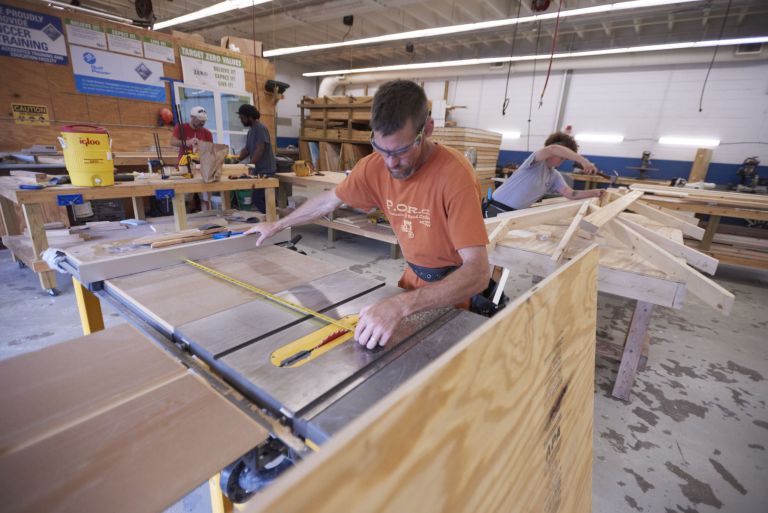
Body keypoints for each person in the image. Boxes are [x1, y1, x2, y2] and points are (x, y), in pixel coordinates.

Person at [244, 80, 490, 349]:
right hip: (412, 280)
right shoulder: (374, 167)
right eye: (381, 149)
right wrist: (277, 225)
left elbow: (477, 272)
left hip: (453, 291)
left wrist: (399, 306)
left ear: (427, 130)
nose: (390, 162)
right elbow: (328, 201)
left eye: (401, 150)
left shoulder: (456, 176)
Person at [487, 131, 604, 216]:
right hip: (496, 208)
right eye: (562, 156)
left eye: (565, 158)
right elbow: (553, 148)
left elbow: (570, 194)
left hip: (514, 214)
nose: (563, 160)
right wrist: (583, 161)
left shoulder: (554, 175)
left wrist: (594, 192)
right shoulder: (535, 161)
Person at [237, 104, 277, 214]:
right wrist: (236, 160)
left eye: (242, 117)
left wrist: (249, 165)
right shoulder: (251, 131)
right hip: (258, 171)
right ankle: (270, 217)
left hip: (266, 171)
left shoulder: (260, 129)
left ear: (250, 117)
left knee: (257, 198)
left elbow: (260, 149)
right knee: (261, 198)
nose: (241, 120)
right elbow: (247, 149)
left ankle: (272, 219)